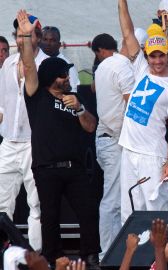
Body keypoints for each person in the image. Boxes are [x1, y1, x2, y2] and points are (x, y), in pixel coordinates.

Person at [16, 9, 100, 268]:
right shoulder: (37, 95)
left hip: (75, 168)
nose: (67, 79)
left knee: (87, 211)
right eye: (63, 75)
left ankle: (90, 256)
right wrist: (26, 37)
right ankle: (53, 259)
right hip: (46, 168)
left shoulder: (74, 98)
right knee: (49, 218)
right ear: (53, 77)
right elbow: (29, 66)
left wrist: (80, 109)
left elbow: (90, 127)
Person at [118, 0, 168, 222]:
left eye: (161, 55)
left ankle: (161, 256)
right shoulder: (142, 69)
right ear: (147, 56)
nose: (157, 60)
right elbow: (127, 32)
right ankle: (134, 257)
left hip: (152, 156)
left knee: (157, 211)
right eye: (153, 56)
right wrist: (122, 3)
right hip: (129, 151)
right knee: (130, 211)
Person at [0, 13, 46, 252]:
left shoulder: (46, 63)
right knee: (1, 202)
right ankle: (4, 252)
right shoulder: (7, 63)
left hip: (33, 142)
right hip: (8, 140)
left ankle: (35, 255)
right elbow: (3, 104)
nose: (21, 39)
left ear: (37, 36)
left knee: (36, 204)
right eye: (18, 35)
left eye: (27, 34)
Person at [91, 33, 134, 257]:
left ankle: (112, 252)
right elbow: (131, 103)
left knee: (116, 199)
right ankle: (108, 253)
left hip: (107, 138)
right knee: (114, 200)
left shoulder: (101, 69)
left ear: (99, 51)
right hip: (116, 139)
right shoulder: (122, 66)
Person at [41, 26, 80, 92]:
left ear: (59, 45)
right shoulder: (35, 60)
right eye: (45, 39)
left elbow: (73, 90)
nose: (48, 43)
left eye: (52, 40)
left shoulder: (66, 65)